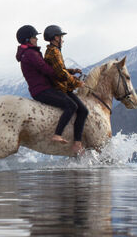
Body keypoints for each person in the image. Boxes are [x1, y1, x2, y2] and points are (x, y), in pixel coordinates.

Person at [15, 24, 86, 156]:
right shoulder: (31, 54)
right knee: (70, 105)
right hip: (42, 89)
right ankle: (57, 134)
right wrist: (72, 80)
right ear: (27, 40)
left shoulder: (31, 53)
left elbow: (52, 68)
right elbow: (48, 69)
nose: (36, 39)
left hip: (42, 87)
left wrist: (69, 72)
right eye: (34, 37)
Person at [42, 24, 88, 149]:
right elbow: (60, 74)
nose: (62, 39)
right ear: (56, 38)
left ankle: (77, 142)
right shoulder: (54, 52)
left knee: (83, 110)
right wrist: (78, 83)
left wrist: (72, 71)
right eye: (61, 37)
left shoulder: (54, 51)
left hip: (63, 86)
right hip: (59, 87)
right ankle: (57, 134)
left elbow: (60, 69)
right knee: (72, 106)